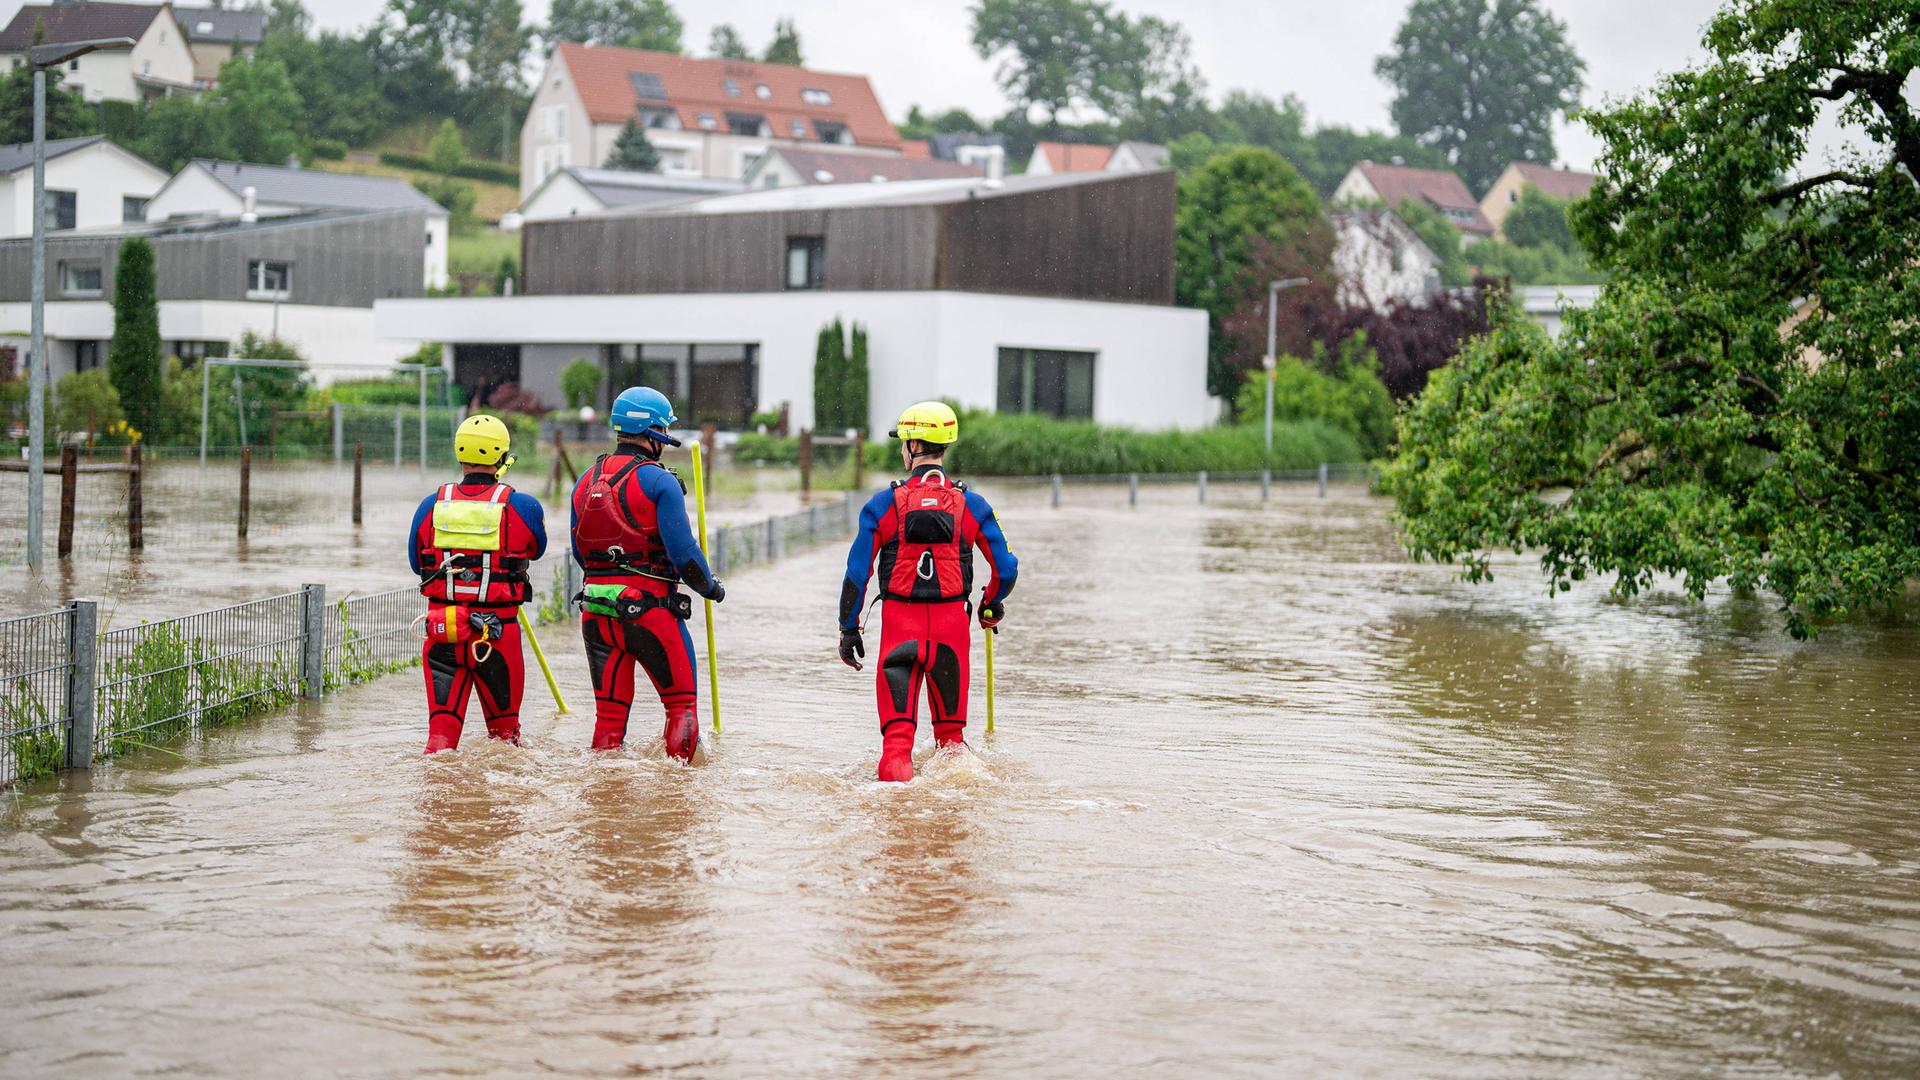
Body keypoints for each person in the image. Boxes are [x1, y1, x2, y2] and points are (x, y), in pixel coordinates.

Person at [838, 401, 1018, 782]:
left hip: (899, 635)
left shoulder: (881, 505)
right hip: (951, 637)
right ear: (943, 447)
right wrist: (990, 603)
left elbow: (857, 575)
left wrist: (848, 629)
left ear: (912, 447)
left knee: (897, 745)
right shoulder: (973, 505)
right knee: (952, 746)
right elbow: (1006, 568)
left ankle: (897, 822)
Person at [570, 386, 725, 759]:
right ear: (654, 430)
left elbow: (580, 552)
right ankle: (681, 798)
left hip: (596, 612)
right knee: (681, 707)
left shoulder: (583, 481)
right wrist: (711, 588)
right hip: (651, 614)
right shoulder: (660, 481)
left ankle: (604, 792)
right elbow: (685, 555)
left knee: (608, 718)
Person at [407, 414, 548, 753]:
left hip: (442, 632)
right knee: (505, 740)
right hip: (497, 636)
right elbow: (537, 550)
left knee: (439, 739)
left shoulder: (431, 504)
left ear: (460, 454)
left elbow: (417, 564)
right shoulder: (523, 506)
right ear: (502, 456)